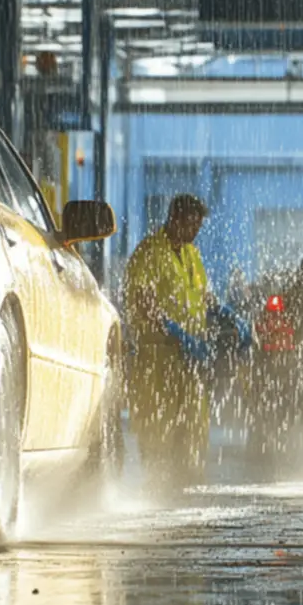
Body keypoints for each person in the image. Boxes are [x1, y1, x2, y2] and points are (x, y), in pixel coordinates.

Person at [124, 194, 252, 491]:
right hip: (159, 360)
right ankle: (157, 495)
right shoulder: (149, 253)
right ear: (174, 220)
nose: (194, 232)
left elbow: (204, 297)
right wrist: (173, 331)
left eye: (198, 226)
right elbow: (144, 301)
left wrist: (226, 315)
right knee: (159, 430)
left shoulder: (192, 255)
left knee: (193, 429)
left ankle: (188, 491)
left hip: (191, 360)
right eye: (190, 225)